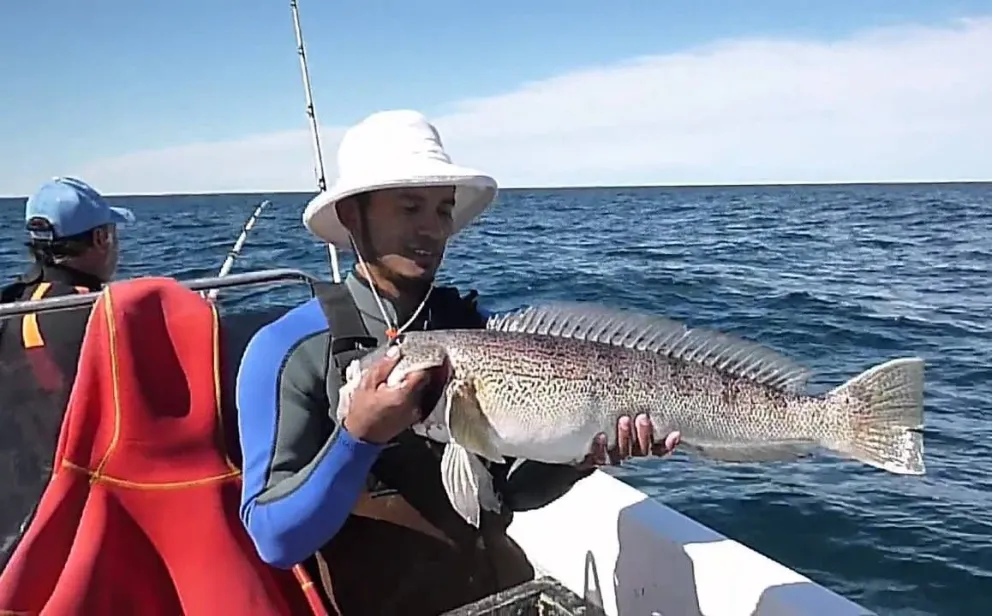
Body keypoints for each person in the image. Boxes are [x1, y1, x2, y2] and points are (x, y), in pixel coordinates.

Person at [235, 110, 680, 615]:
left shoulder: (478, 330)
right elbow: (275, 539)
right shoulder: (289, 348)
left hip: (503, 596)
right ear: (354, 216)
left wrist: (581, 457)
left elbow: (507, 497)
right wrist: (357, 437)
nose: (432, 228)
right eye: (409, 208)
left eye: (443, 210)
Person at [0, 176, 134, 569]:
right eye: (110, 233)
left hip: (16, 495)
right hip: (75, 494)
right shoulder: (100, 312)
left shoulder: (11, 303)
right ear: (100, 240)